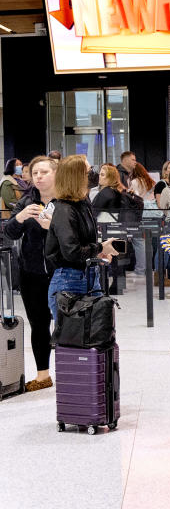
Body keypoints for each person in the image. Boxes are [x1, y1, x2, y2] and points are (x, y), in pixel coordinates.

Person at [44, 155, 120, 322]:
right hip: (69, 281)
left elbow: (82, 243)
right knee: (74, 339)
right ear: (77, 177)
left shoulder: (83, 203)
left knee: (94, 334)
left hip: (89, 276)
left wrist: (97, 253)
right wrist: (100, 248)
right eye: (88, 171)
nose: (92, 174)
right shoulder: (64, 209)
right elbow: (71, 251)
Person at [5, 156, 58, 391]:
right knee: (39, 324)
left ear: (56, 174)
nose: (38, 176)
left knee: (69, 325)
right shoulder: (26, 201)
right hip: (32, 273)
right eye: (35, 173)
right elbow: (10, 232)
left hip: (64, 273)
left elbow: (81, 232)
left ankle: (73, 370)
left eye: (44, 172)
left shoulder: (69, 201)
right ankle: (43, 375)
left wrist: (54, 224)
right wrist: (19, 217)